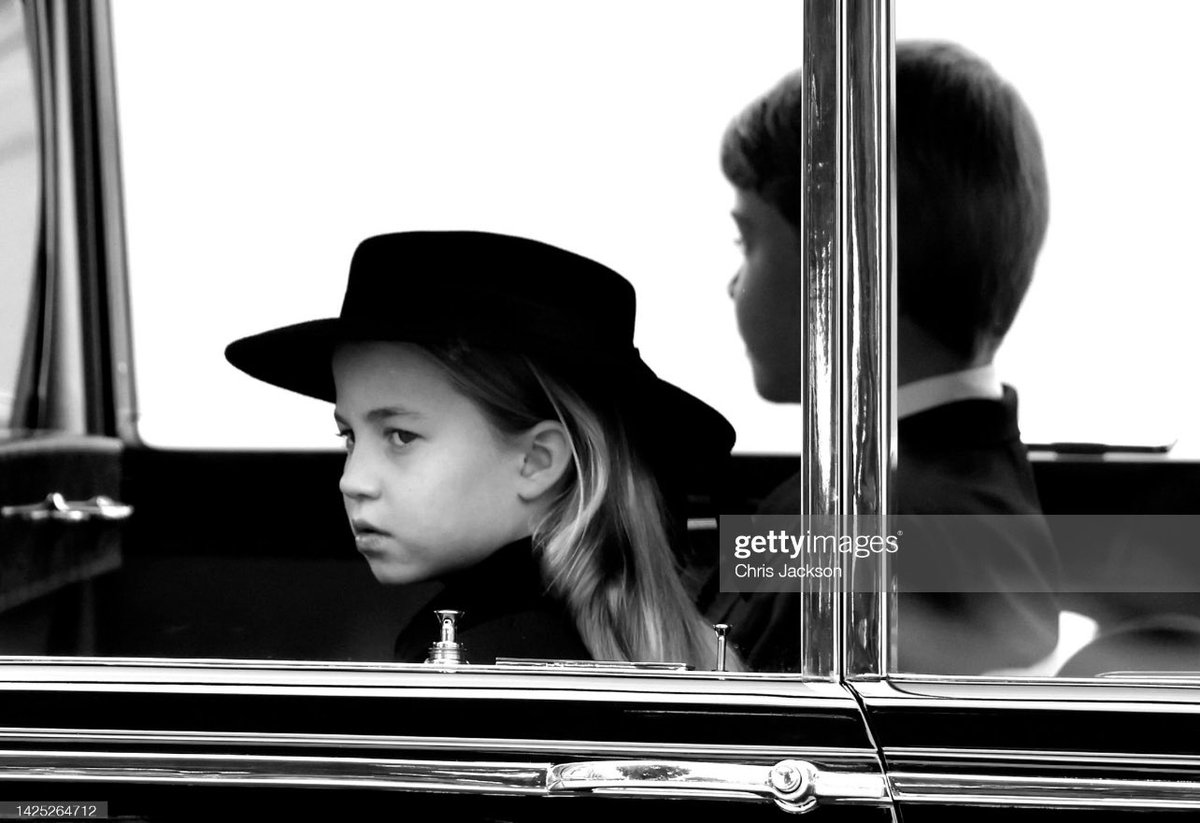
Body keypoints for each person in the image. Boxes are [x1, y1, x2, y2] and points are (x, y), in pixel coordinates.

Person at [225, 231, 736, 669]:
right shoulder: (622, 637)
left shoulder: (485, 666)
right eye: (349, 437)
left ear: (536, 461)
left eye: (401, 437)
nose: (353, 481)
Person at [709, 40, 1060, 673]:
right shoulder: (951, 494)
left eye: (747, 240)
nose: (733, 285)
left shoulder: (868, 530)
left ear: (850, 272)